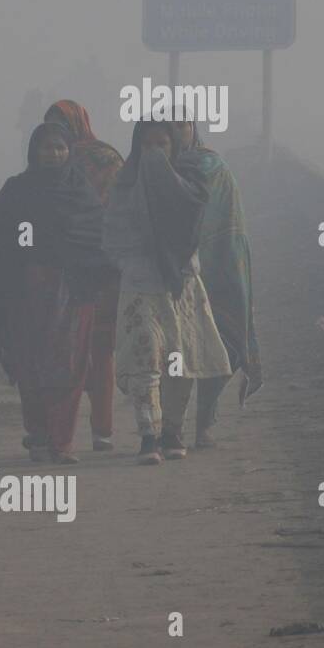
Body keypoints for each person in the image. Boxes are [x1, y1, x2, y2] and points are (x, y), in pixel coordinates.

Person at [0, 121, 115, 464]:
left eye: (60, 147)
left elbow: (97, 239)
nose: (54, 154)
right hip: (26, 294)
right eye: (47, 147)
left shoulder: (81, 192)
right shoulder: (17, 190)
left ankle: (62, 442)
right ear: (34, 151)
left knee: (70, 365)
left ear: (69, 151)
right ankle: (39, 434)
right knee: (30, 366)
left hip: (74, 294)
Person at [103, 119, 231, 465]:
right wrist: (129, 262)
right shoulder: (125, 185)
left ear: (175, 149)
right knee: (146, 359)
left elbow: (192, 225)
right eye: (148, 146)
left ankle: (173, 431)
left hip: (182, 285)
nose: (155, 153)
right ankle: (149, 436)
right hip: (140, 284)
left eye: (163, 145)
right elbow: (112, 235)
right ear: (136, 148)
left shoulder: (190, 185)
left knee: (179, 361)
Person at [173, 118, 263, 447]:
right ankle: (171, 429)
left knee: (226, 344)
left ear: (193, 129)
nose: (177, 131)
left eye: (182, 124)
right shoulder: (152, 168)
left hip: (222, 266)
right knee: (177, 352)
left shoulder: (213, 164)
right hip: (173, 271)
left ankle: (204, 423)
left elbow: (228, 218)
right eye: (168, 125)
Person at [45, 99, 124, 452]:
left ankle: (99, 429)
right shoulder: (54, 160)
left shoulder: (89, 159)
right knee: (80, 348)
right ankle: (79, 431)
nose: (56, 135)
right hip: (70, 268)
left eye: (60, 124)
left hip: (99, 266)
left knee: (95, 348)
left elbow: (123, 206)